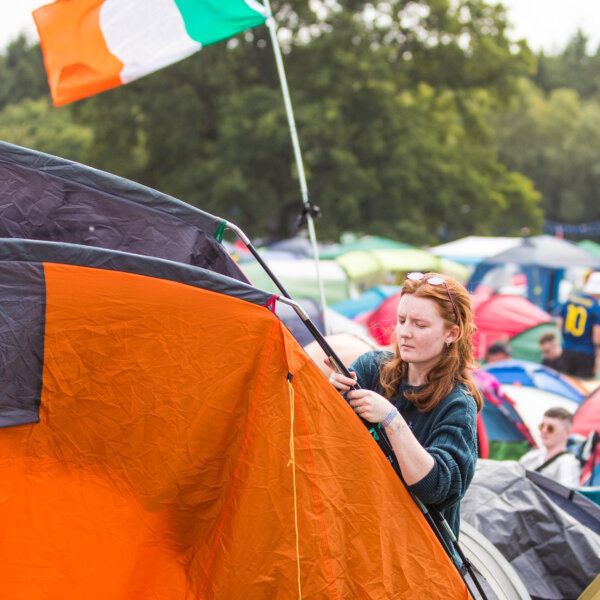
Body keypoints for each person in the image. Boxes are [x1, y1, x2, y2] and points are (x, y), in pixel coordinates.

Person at [327, 271, 482, 556]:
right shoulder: (371, 368)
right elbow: (325, 441)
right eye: (401, 321)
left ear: (452, 333)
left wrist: (391, 420)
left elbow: (436, 489)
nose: (405, 332)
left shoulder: (459, 403)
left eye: (420, 324)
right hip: (360, 541)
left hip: (419, 557)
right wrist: (329, 395)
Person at [519, 407, 581, 488]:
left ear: (567, 433)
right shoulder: (531, 456)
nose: (544, 431)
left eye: (550, 428)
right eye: (542, 426)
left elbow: (566, 496)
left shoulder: (568, 463)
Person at [557, 271, 600, 379]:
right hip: (586, 353)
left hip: (566, 349)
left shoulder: (570, 299)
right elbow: (597, 336)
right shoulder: (595, 307)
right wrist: (598, 358)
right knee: (582, 389)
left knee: (566, 384)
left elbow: (559, 324)